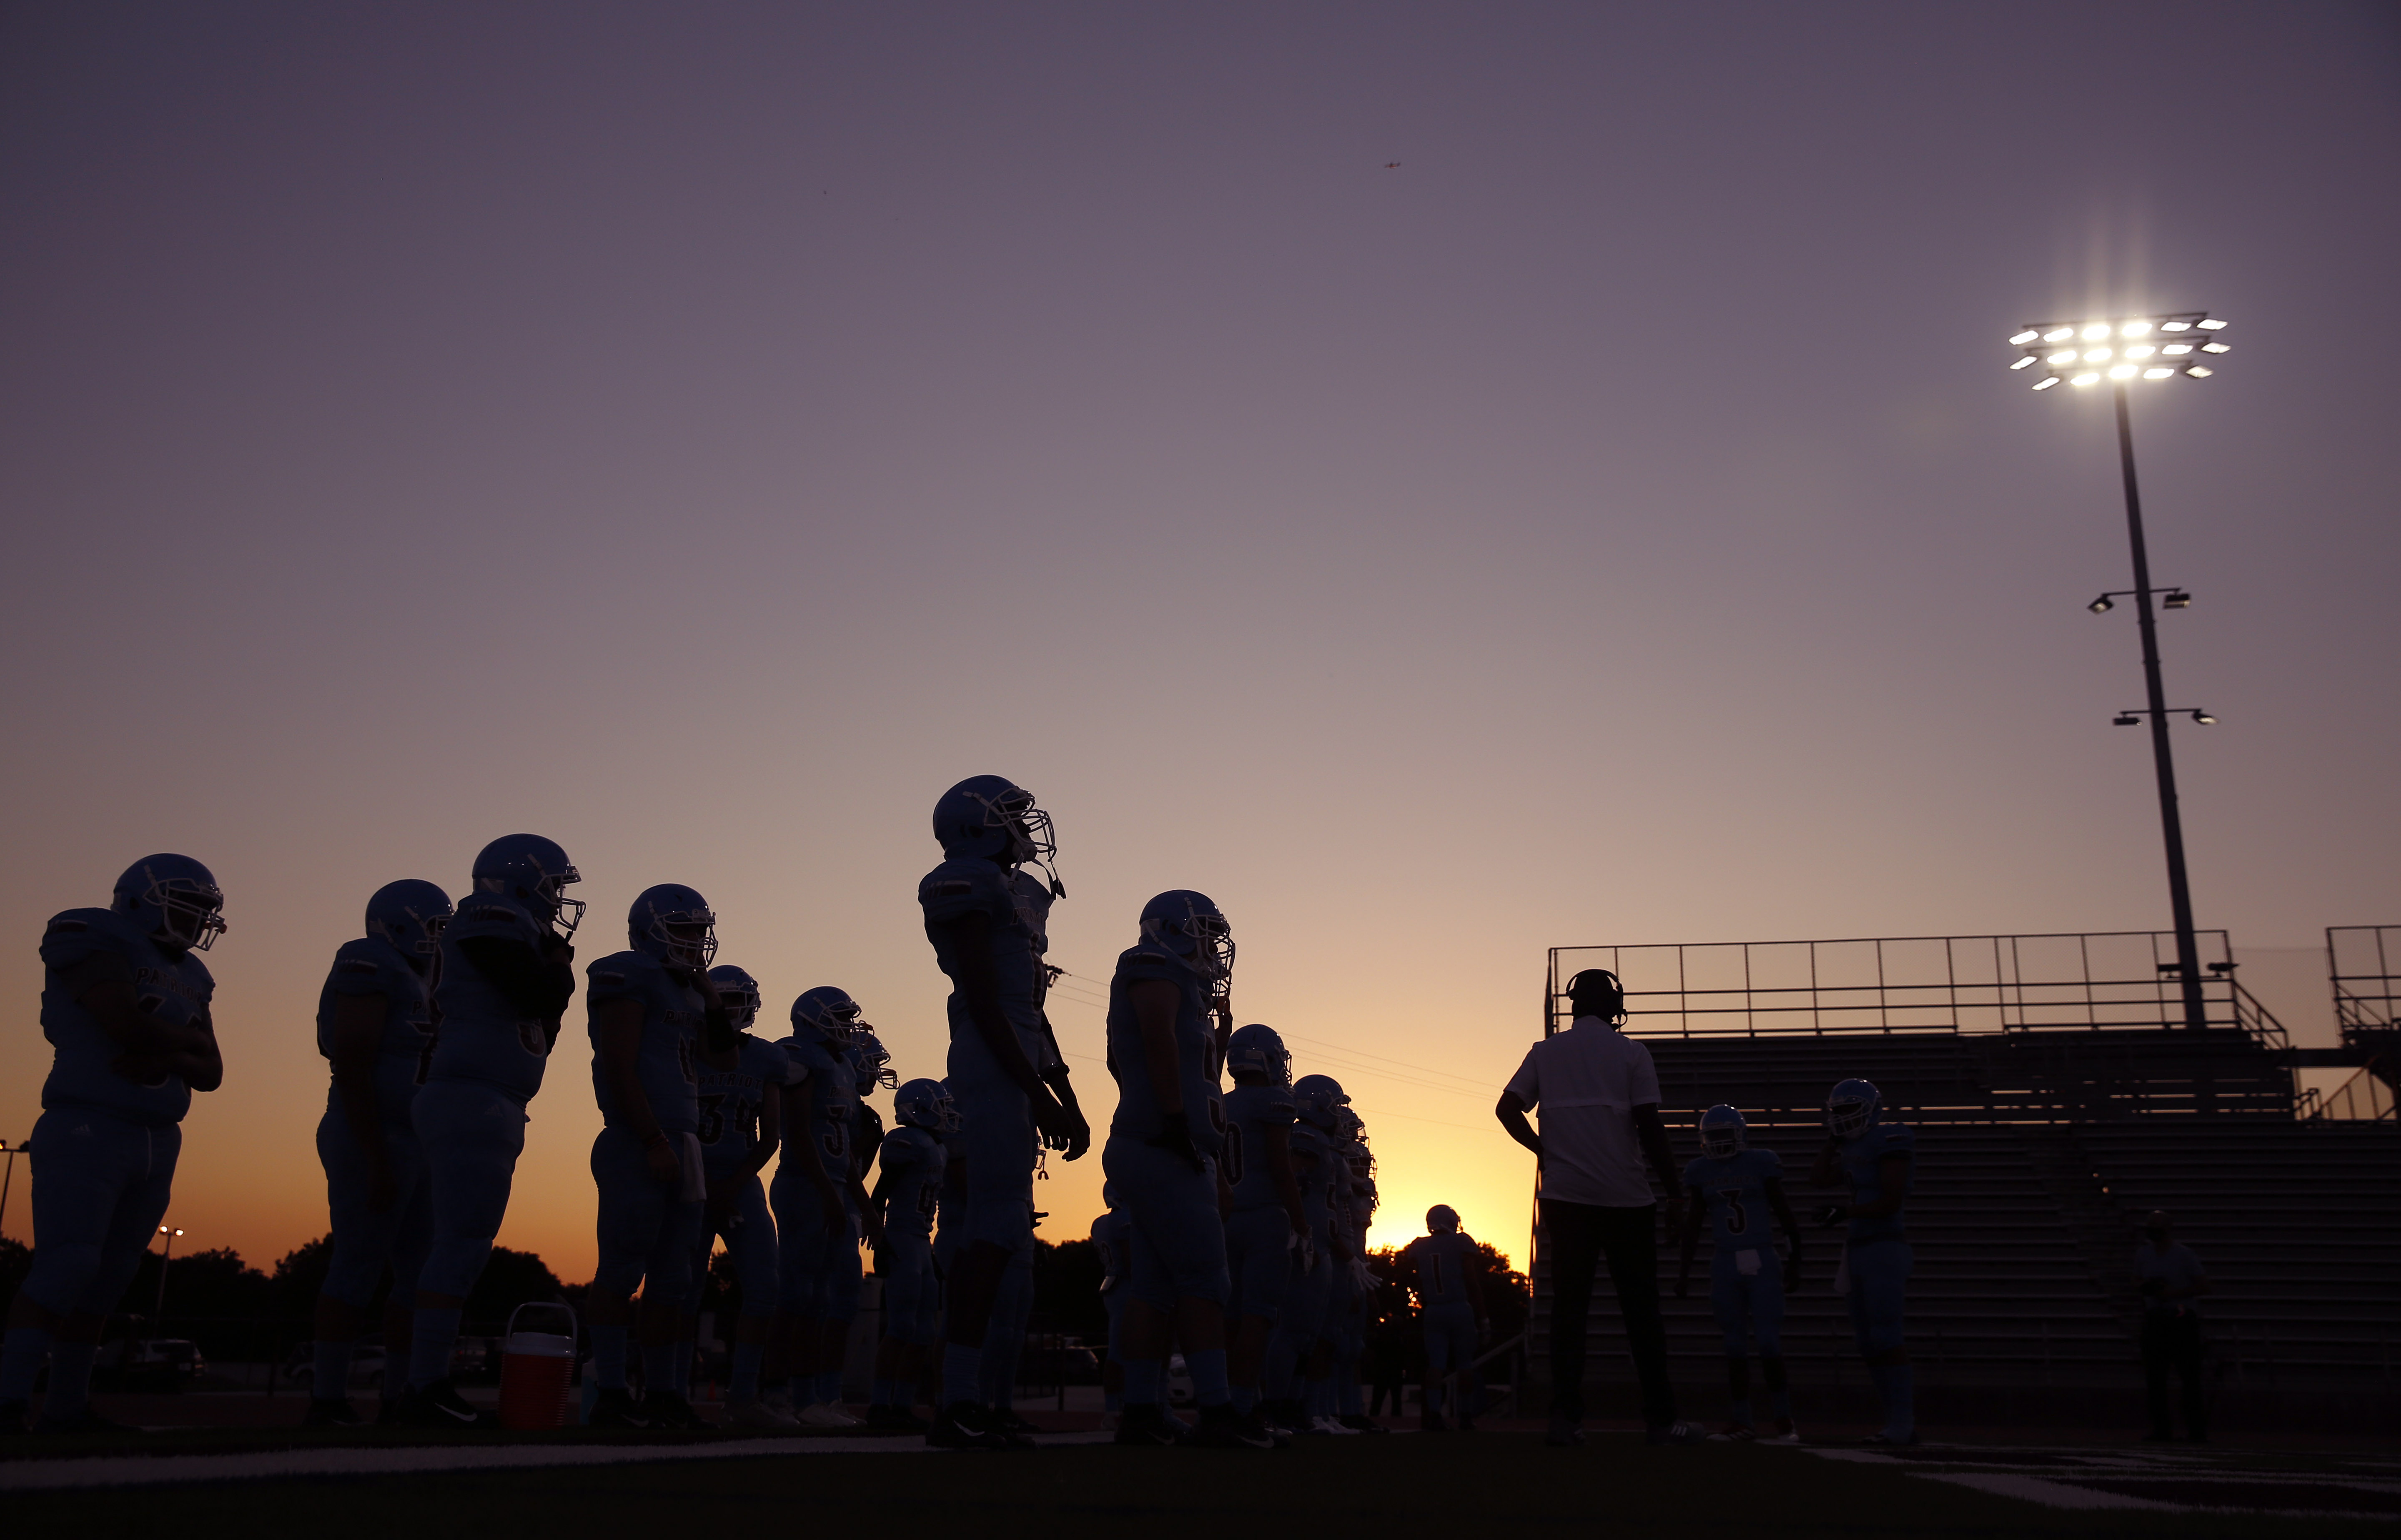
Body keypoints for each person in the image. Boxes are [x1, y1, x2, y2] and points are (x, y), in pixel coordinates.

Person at [0, 856, 228, 1435]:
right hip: (89, 1123)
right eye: (187, 904)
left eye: (203, 910)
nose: (196, 919)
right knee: (67, 1262)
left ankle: (66, 1407)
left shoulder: (195, 974)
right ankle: (7, 1399)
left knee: (107, 1281)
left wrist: (170, 1054)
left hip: (157, 1137)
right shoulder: (91, 933)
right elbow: (125, 1022)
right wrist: (186, 1043)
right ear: (143, 897)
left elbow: (212, 1070)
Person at [915, 776, 1090, 1450]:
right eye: (1014, 815)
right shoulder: (962, 883)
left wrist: (1062, 1095)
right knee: (989, 1234)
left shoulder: (1014, 894)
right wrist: (1039, 1094)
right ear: (980, 825)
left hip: (1010, 1064)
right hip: (990, 1067)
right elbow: (988, 1007)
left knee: (1009, 1242)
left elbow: (1028, 1013)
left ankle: (980, 1399)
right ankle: (956, 1403)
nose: (1026, 825)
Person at [398, 834, 579, 1428]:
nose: (558, 899)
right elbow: (536, 991)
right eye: (554, 885)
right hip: (469, 1093)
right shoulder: (489, 914)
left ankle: (419, 1381)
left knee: (460, 1242)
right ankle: (423, 1383)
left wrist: (553, 977)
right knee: (462, 1240)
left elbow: (542, 1021)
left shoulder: (512, 929)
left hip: (490, 1096)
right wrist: (557, 969)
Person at [1496, 967, 1702, 1446]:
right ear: (1614, 1004)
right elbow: (1650, 1127)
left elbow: (1507, 1109)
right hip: (1627, 1198)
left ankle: (1565, 1419)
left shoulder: (1545, 1053)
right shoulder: (1632, 1052)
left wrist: (1543, 1151)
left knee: (1569, 1312)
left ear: (1573, 1005)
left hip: (1567, 1199)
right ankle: (1660, 1419)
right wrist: (1674, 1192)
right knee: (1642, 1315)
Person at [1103, 889, 1263, 1449]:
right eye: (1207, 929)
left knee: (1154, 1287)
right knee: (1205, 1281)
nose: (1214, 944)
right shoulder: (1151, 963)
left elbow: (1179, 1065)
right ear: (1176, 928)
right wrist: (1174, 1118)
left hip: (1166, 1144)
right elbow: (1152, 1040)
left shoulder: (1183, 985)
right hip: (1162, 1142)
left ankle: (1141, 1411)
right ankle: (1217, 1412)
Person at [581, 884, 734, 1430]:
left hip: (683, 1139)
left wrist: (712, 995)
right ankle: (612, 1390)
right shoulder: (626, 972)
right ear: (652, 928)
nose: (697, 941)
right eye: (686, 929)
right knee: (622, 1266)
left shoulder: (690, 992)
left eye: (700, 930)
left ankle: (666, 1392)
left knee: (674, 1277)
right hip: (636, 1136)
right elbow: (618, 1064)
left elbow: (722, 1056)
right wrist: (651, 1138)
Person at [306, 879, 451, 1427]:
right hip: (372, 1132)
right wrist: (375, 1154)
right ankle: (326, 1399)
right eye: (435, 928)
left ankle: (401, 1396)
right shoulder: (369, 959)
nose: (441, 941)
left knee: (420, 1274)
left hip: (418, 1140)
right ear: (399, 924)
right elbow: (352, 1062)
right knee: (357, 1267)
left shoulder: (428, 980)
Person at [684, 963, 790, 1427]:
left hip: (741, 1180)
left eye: (734, 1001)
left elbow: (771, 1137)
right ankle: (667, 1392)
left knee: (766, 1289)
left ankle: (742, 1396)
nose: (727, 1010)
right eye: (720, 1000)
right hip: (688, 1178)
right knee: (679, 1291)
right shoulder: (686, 1045)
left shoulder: (766, 1057)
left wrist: (732, 1185)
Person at [769, 987, 875, 1427]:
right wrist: (830, 1194)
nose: (849, 1025)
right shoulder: (801, 1056)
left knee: (839, 1298)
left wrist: (864, 1205)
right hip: (803, 1185)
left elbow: (845, 1149)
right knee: (801, 1298)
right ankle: (787, 1395)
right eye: (841, 1016)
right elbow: (797, 1133)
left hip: (832, 1186)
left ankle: (826, 1396)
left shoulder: (843, 1068)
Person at [1675, 1104, 1803, 1442]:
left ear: (1741, 1135)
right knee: (1733, 1344)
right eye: (1712, 1137)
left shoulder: (1760, 1163)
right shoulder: (1701, 1171)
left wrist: (1796, 1258)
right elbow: (1693, 1225)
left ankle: (1784, 1419)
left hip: (1761, 1256)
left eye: (1724, 1135)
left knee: (1767, 1341)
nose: (1718, 1143)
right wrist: (1684, 1272)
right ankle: (1743, 1420)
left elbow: (1783, 1210)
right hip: (1725, 1260)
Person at [1811, 1077, 1916, 1446]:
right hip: (1857, 1247)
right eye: (1837, 1112)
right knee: (1867, 1339)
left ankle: (1903, 1422)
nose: (1842, 1118)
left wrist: (1845, 1211)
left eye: (1849, 1110)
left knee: (1886, 1333)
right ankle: (1893, 1420)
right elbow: (1819, 1178)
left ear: (1871, 1108)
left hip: (1884, 1245)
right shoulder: (1853, 1146)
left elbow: (1891, 1200)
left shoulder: (1889, 1139)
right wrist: (1831, 1140)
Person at [1219, 1023, 1307, 1437]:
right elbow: (1280, 1167)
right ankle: (1243, 1406)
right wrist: (1302, 1223)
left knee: (1231, 1319)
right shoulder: (1274, 1100)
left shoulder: (1220, 1101)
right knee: (1258, 1317)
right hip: (1264, 1217)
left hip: (1225, 1215)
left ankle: (1230, 1402)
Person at [1262, 1072, 1350, 1437]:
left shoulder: (1322, 1142)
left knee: (1306, 1335)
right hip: (1306, 1246)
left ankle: (1294, 1407)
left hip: (1321, 1248)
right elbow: (1291, 1181)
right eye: (1336, 1106)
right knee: (1292, 1332)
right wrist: (1300, 1234)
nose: (1340, 1115)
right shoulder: (1306, 1138)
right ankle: (1275, 1407)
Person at [867, 1078, 954, 1430]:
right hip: (902, 1236)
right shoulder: (906, 1141)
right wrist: (879, 1236)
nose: (948, 1113)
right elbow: (881, 1191)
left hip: (921, 1239)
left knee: (923, 1332)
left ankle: (902, 1405)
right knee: (902, 1325)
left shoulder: (937, 1147)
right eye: (942, 1106)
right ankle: (879, 1404)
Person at [1400, 1205, 1489, 1432]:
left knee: (1436, 1365)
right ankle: (1466, 1417)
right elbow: (1472, 1281)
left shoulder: (1419, 1246)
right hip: (1459, 1307)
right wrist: (1483, 1317)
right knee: (1465, 1365)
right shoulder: (1462, 1242)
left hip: (1434, 1309)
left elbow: (1415, 1280)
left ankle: (1435, 1416)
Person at [2134, 1210, 2210, 1442]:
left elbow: (2204, 1285)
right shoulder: (2144, 1253)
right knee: (2156, 1379)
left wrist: (2172, 1294)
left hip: (2181, 1318)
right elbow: (2135, 1280)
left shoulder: (2184, 1254)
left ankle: (2196, 1431)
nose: (2150, 1228)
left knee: (2189, 1378)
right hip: (2156, 1317)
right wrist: (2146, 1288)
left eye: (2155, 1225)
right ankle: (2162, 1430)